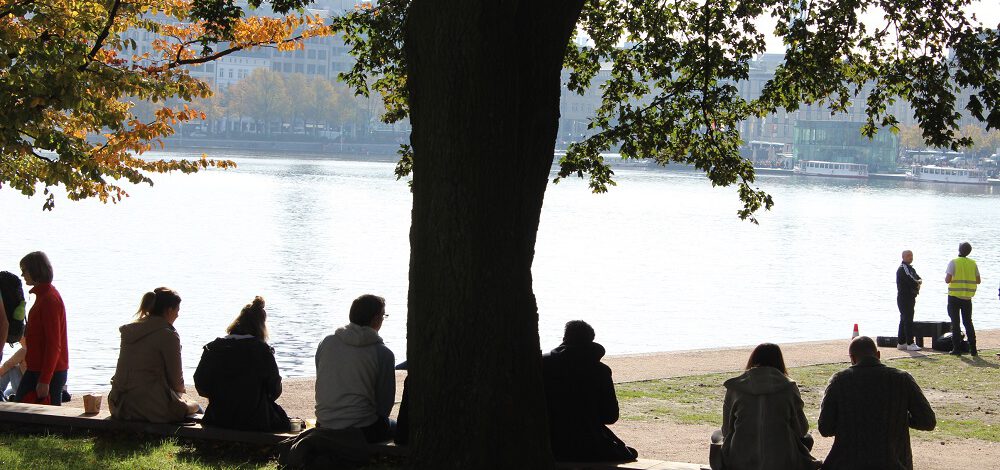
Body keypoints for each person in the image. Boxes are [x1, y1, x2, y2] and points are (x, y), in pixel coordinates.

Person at [818, 336, 936, 470]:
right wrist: (898, 417)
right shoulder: (902, 379)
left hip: (848, 463)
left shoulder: (839, 381)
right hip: (894, 464)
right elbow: (928, 422)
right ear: (878, 355)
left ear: (852, 358)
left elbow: (825, 428)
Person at [710, 343, 817, 470]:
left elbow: (727, 430)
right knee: (808, 438)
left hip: (740, 460)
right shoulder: (788, 387)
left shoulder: (735, 387)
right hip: (781, 461)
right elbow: (801, 430)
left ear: (753, 359)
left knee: (716, 435)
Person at [542, 320, 637, 462]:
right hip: (587, 442)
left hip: (550, 440)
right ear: (591, 341)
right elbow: (610, 416)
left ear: (564, 338)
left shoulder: (542, 364)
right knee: (629, 453)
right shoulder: (600, 371)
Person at [194, 296, 290, 431]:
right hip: (254, 419)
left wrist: (220, 396)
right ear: (261, 325)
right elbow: (274, 389)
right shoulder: (262, 351)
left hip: (218, 416)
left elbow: (200, 383)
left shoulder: (213, 348)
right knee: (284, 422)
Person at [109, 288, 199, 422]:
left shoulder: (130, 331)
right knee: (196, 407)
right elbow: (177, 381)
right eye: (177, 311)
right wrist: (181, 395)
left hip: (119, 405)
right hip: (150, 409)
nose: (177, 315)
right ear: (169, 310)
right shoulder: (168, 335)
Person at [315, 294, 395, 443]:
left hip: (324, 424)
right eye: (383, 316)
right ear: (376, 319)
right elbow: (384, 406)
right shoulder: (383, 353)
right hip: (363, 429)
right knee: (399, 428)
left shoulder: (326, 343)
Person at [14, 251, 68, 406]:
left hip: (48, 371)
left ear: (35, 271)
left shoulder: (49, 300)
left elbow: (54, 343)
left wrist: (45, 380)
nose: (22, 274)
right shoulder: (43, 297)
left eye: (24, 270)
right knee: (19, 412)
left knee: (49, 422)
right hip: (37, 368)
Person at [945, 242, 981, 355]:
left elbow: (947, 279)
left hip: (954, 296)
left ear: (959, 250)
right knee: (968, 322)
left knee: (955, 323)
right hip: (967, 297)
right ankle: (973, 348)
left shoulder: (953, 262)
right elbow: (978, 280)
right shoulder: (973, 263)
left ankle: (956, 349)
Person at [896, 250, 923, 351]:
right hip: (904, 298)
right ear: (903, 257)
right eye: (908, 256)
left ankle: (901, 342)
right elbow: (911, 280)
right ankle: (910, 343)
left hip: (910, 297)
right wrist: (918, 283)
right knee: (908, 320)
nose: (910, 257)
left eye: (911, 255)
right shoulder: (903, 268)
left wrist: (918, 281)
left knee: (904, 319)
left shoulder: (910, 268)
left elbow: (918, 277)